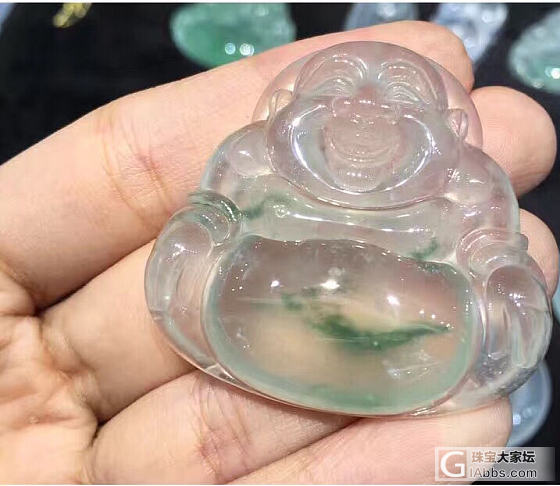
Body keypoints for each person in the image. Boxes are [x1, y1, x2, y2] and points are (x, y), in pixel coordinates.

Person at [0, 21, 557, 484]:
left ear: (452, 128)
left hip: (420, 341)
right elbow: (210, 219)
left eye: (402, 97)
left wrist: (507, 286)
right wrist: (194, 240)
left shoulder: (471, 184)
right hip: (253, 313)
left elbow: (492, 255)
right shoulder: (251, 156)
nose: (364, 109)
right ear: (287, 107)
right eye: (335, 88)